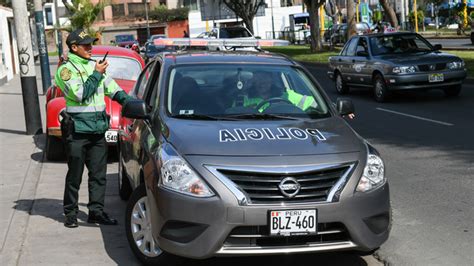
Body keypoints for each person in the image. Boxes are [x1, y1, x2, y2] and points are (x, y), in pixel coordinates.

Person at [55, 29, 132, 228]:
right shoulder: (66, 70)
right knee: (75, 175)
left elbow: (113, 89)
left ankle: (96, 213)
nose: (91, 48)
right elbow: (81, 94)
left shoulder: (93, 66)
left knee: (99, 176)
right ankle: (70, 213)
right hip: (77, 130)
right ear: (74, 48)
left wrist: (133, 104)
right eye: (86, 45)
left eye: (91, 44)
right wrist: (97, 74)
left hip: (98, 129)